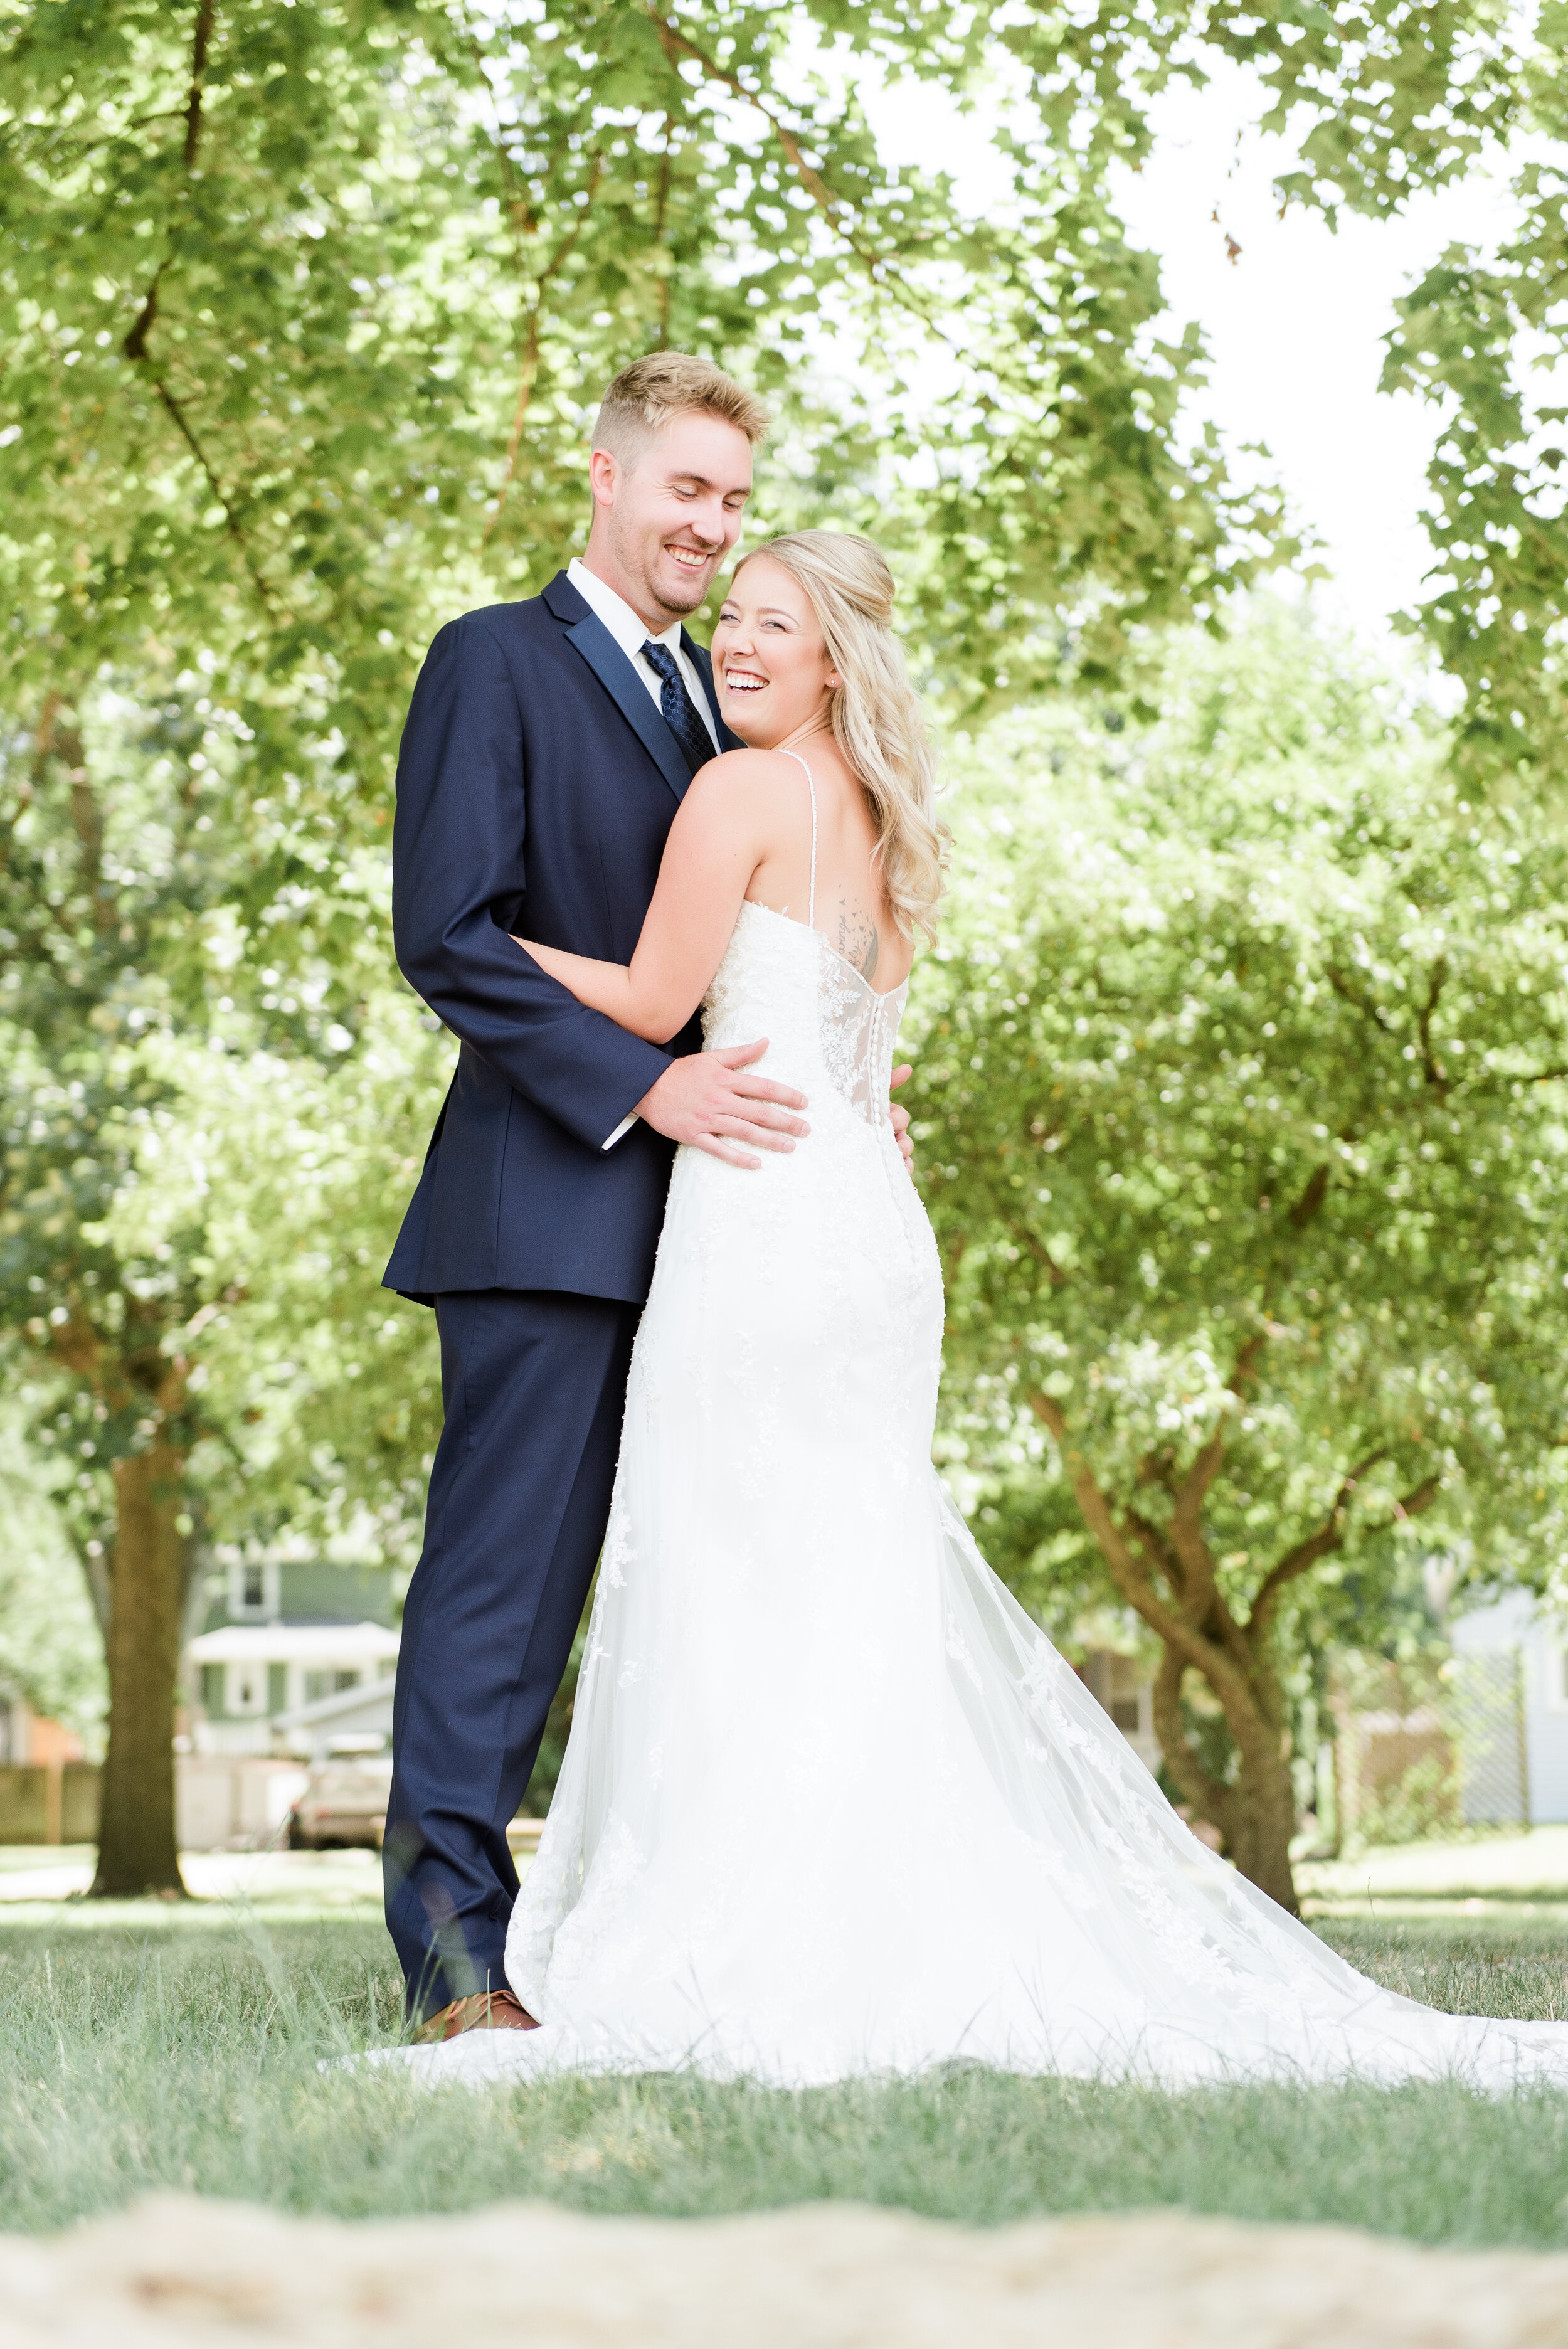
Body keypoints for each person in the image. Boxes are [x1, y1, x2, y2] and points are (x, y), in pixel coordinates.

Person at [391, 528, 1568, 2093]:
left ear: (830, 659)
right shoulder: (892, 824)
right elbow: (866, 1056)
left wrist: (491, 943)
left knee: (740, 1574)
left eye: (768, 625)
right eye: (729, 618)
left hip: (755, 1217)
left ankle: (753, 1929)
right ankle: (874, 1918)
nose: (735, 643)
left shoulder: (738, 792)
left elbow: (658, 1004)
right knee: (845, 1575)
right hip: (870, 1237)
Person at [381, 354, 913, 2038]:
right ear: (604, 481)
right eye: (686, 489)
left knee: (727, 1593)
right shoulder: (493, 660)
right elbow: (447, 931)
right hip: (548, 1206)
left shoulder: (726, 703)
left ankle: (714, 1934)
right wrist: (648, 1086)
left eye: (734, 501)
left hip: (729, 1233)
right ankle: (459, 1959)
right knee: (504, 1590)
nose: (711, 528)